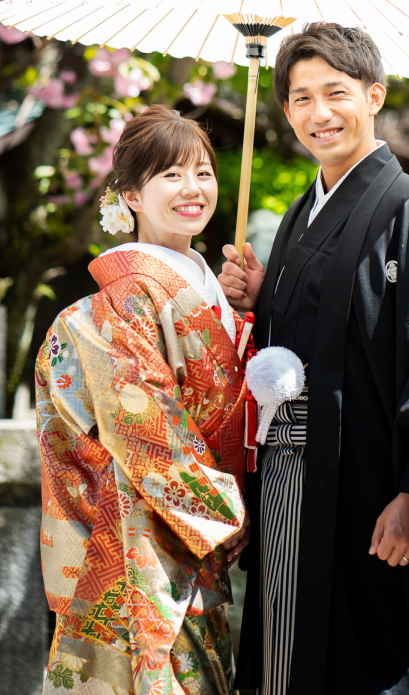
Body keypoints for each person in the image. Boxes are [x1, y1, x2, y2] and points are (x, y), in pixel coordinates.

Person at [219, 23, 409, 695]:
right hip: (294, 483)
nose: (319, 113)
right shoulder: (295, 218)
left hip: (374, 489)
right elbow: (304, 346)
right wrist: (265, 297)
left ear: (374, 96)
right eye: (301, 98)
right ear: (284, 111)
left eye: (335, 93)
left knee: (370, 661)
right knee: (287, 659)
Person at [36, 106, 252, 695]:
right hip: (151, 531)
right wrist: (221, 507)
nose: (193, 189)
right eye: (171, 175)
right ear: (130, 193)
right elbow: (144, 423)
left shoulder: (207, 285)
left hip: (200, 529)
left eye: (204, 173)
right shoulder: (130, 295)